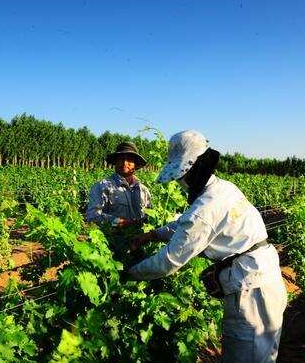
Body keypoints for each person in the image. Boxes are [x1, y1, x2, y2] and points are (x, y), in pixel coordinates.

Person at [128, 130, 287, 363]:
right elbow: (189, 224)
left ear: (193, 169)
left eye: (181, 175)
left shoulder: (205, 208)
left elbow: (169, 261)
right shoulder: (223, 189)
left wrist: (129, 273)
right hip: (266, 276)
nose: (180, 183)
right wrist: (153, 234)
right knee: (264, 355)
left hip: (250, 291)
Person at [86, 141, 151, 228]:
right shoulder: (102, 186)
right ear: (115, 162)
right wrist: (117, 222)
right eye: (121, 159)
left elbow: (150, 215)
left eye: (129, 159)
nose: (124, 163)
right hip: (112, 239)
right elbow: (92, 216)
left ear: (135, 164)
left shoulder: (143, 190)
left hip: (141, 239)